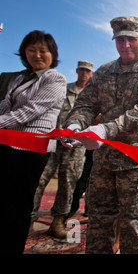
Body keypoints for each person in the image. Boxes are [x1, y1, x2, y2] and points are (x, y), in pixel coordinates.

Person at [61, 16, 138, 254]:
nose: (126, 45)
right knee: (99, 220)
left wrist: (104, 129)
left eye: (131, 39)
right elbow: (85, 104)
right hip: (105, 161)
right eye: (120, 39)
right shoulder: (103, 72)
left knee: (135, 224)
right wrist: (73, 126)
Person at [0, 30, 66, 253]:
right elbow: (6, 106)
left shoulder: (55, 78)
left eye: (42, 51)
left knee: (17, 204)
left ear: (52, 54)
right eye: (31, 50)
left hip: (30, 148)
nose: (37, 55)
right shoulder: (21, 78)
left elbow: (31, 111)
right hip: (7, 142)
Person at [30, 60, 94, 238]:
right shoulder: (64, 89)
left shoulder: (93, 96)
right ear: (76, 70)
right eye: (81, 70)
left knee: (68, 184)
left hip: (76, 147)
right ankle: (30, 219)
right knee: (40, 179)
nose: (84, 73)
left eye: (87, 71)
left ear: (92, 74)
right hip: (53, 143)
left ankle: (58, 221)